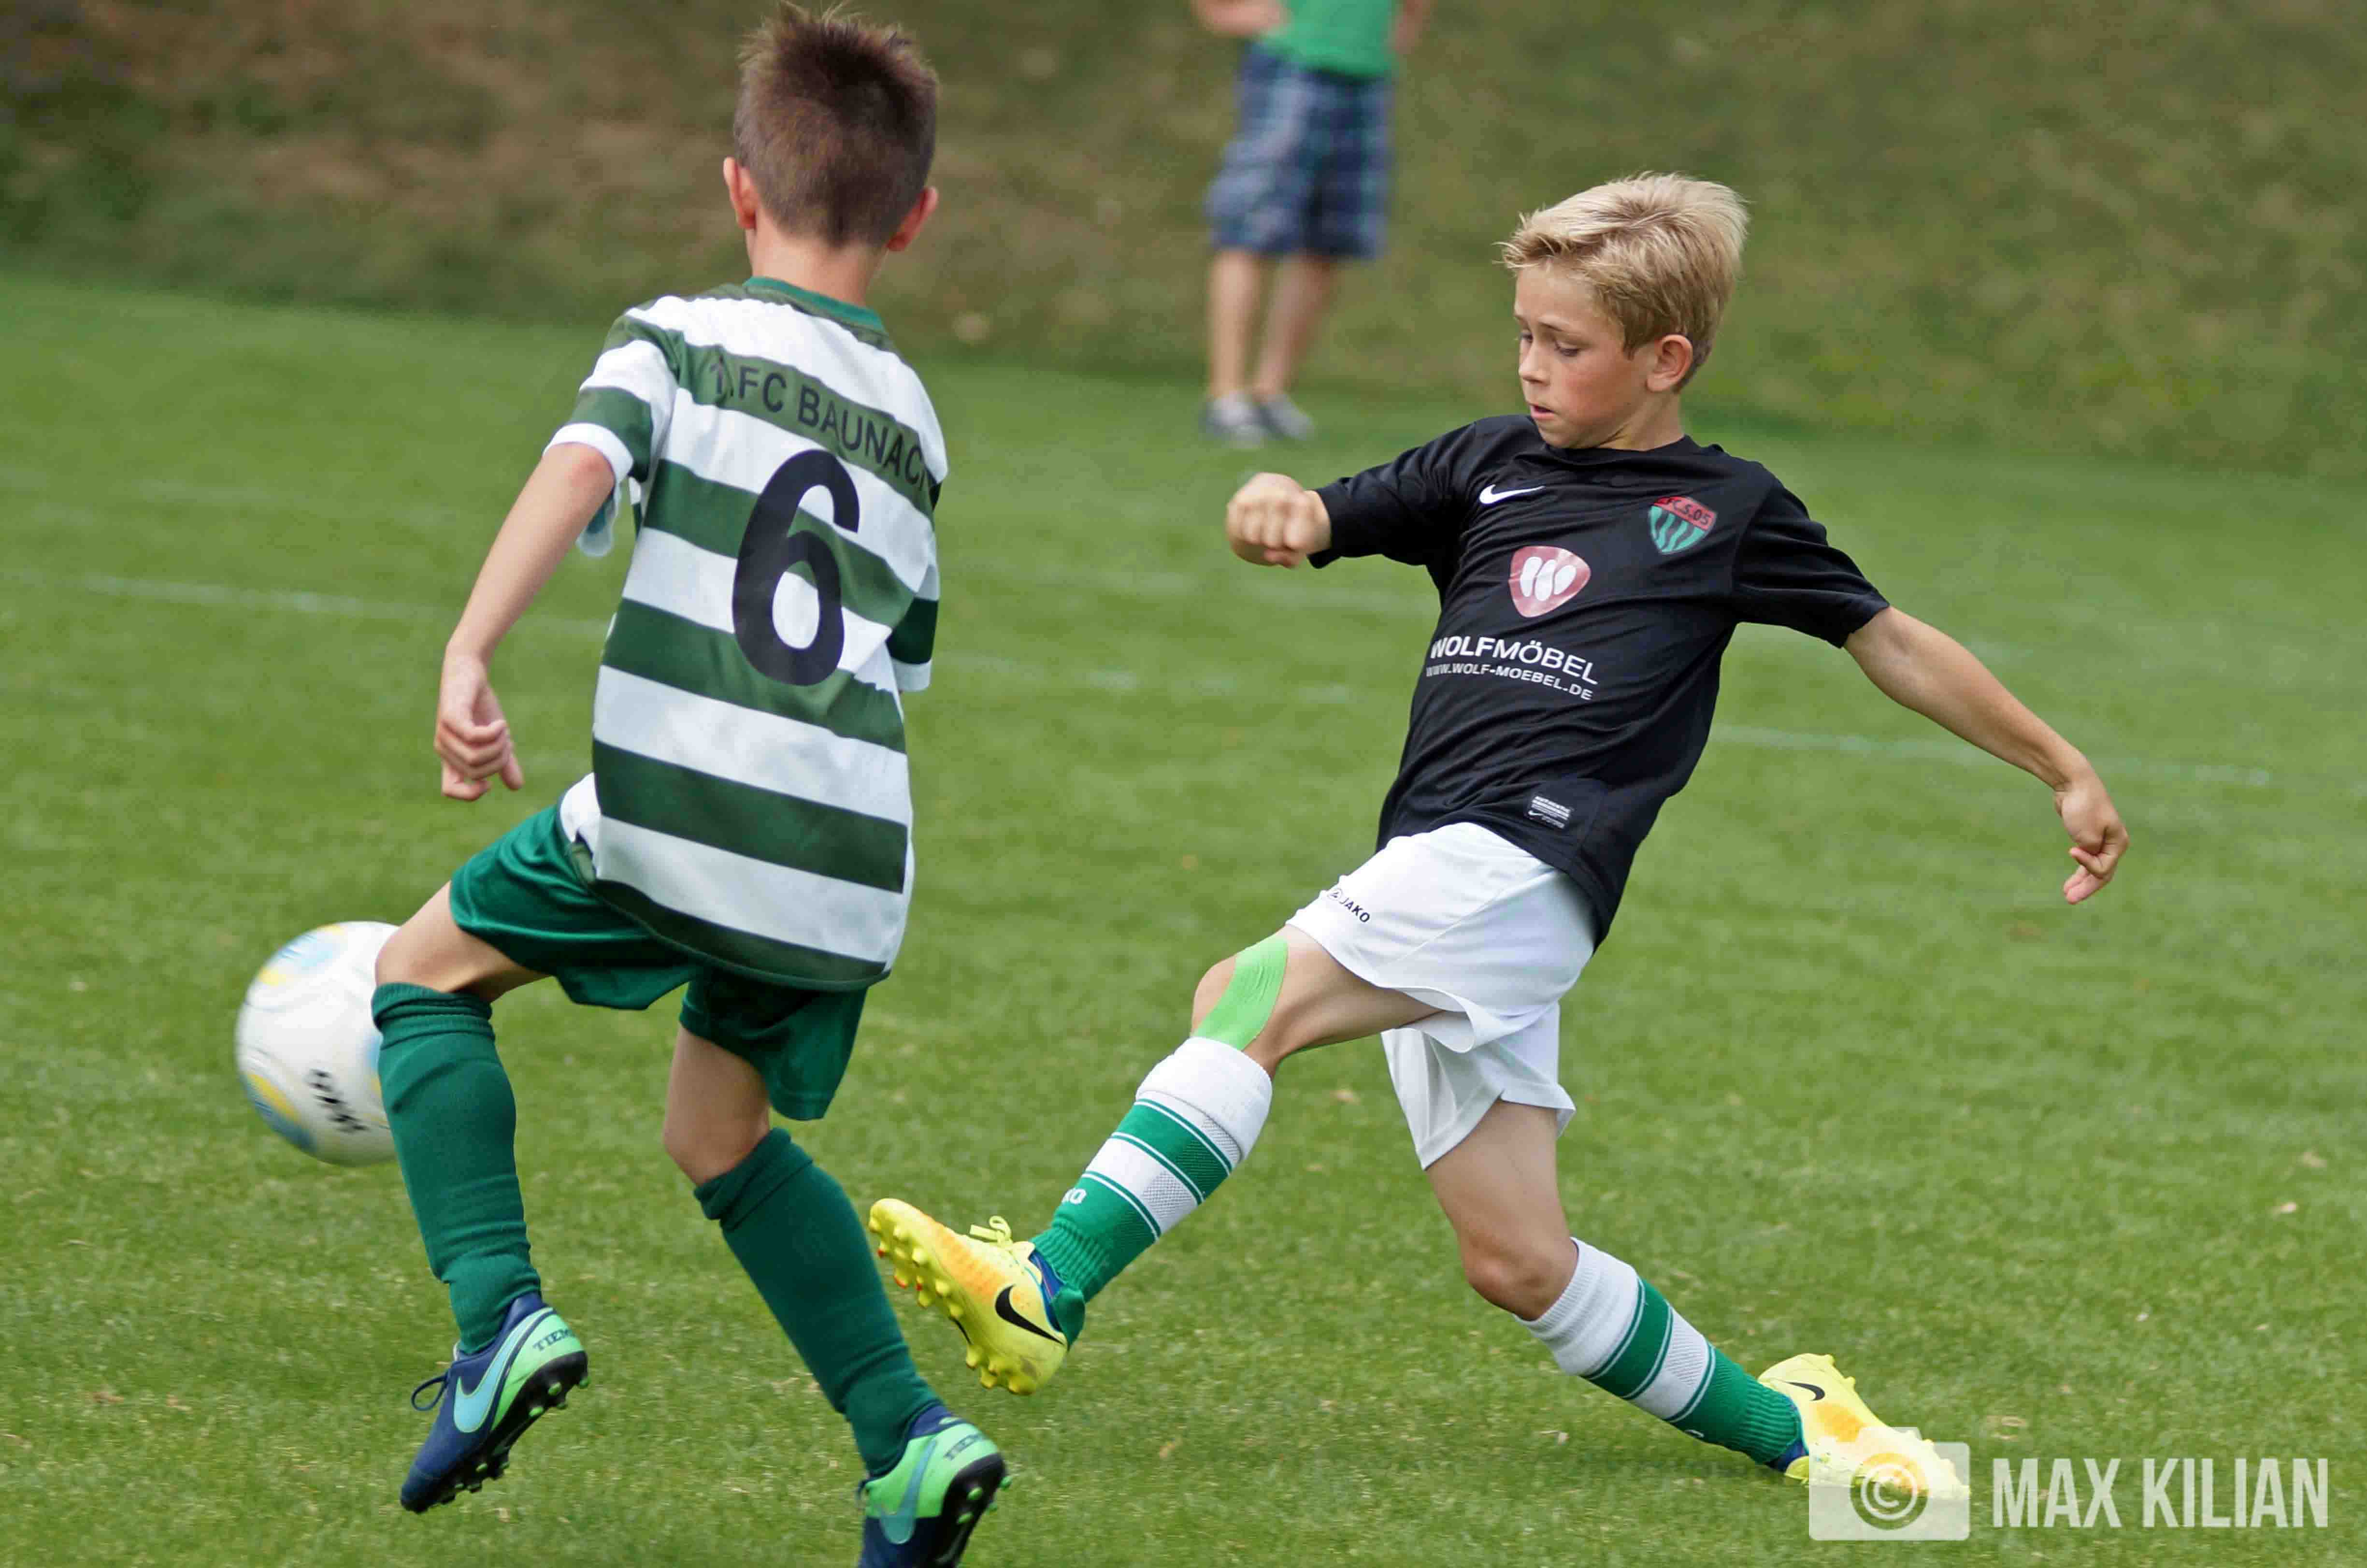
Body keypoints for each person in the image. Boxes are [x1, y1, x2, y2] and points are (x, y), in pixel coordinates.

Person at [872, 174, 2128, 1495]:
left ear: (1664, 360)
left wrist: (2059, 765)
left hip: (1520, 862)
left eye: (1565, 345)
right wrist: (1274, 500)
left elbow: (1889, 639)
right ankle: (1803, 1432)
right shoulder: (1483, 466)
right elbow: (1323, 512)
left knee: (1246, 996)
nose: (1531, 365)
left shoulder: (1727, 508)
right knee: (1518, 1259)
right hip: (1447, 870)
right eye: (1523, 333)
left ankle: (1045, 1284)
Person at [366, 8, 1003, 1560]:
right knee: (719, 1135)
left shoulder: (678, 337)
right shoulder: (915, 423)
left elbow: (580, 465)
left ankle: (498, 1316)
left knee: (419, 977)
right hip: (846, 854)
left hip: (683, 802)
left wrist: (469, 645)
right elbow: (902, 652)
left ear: (737, 188)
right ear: (916, 217)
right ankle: (909, 1438)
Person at [1195, 0, 1431, 446]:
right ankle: (1225, 397)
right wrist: (1224, 12)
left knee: (1328, 239)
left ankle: (1269, 394)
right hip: (1292, 63)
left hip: (1367, 75)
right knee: (1251, 227)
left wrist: (1400, 30)